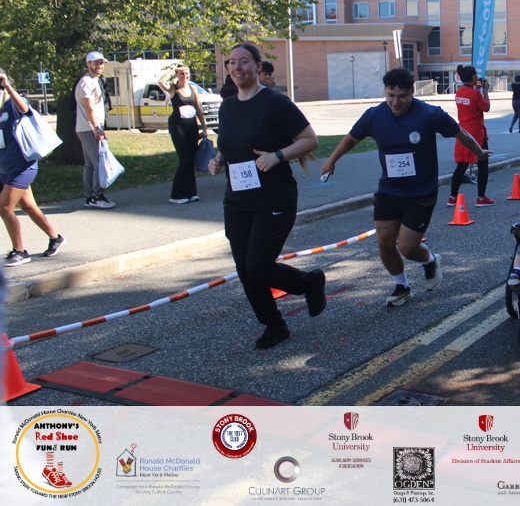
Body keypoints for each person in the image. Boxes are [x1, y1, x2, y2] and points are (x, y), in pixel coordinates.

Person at [321, 68, 489, 307]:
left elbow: (459, 133)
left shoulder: (430, 114)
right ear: (385, 92)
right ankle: (402, 286)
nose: (395, 102)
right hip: (389, 190)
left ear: (412, 92)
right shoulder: (373, 116)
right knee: (384, 243)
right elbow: (351, 138)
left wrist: (478, 153)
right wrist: (331, 160)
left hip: (421, 193)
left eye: (402, 96)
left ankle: (430, 261)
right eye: (390, 95)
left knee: (408, 248)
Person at [207, 43, 325, 350]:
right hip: (237, 199)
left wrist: (278, 155)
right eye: (232, 62)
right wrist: (218, 159)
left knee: (258, 266)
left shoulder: (274, 102)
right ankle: (274, 325)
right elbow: (230, 144)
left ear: (258, 67)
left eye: (244, 62)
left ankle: (309, 282)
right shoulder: (228, 106)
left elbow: (310, 139)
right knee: (245, 270)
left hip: (274, 196)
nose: (237, 68)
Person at [0, 70, 64, 266]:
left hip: (22, 166)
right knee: (28, 206)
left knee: (4, 207)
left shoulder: (13, 103)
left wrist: (8, 87)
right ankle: (55, 238)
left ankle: (20, 251)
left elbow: (24, 109)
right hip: (5, 167)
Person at [158, 63, 209, 204]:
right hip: (178, 126)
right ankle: (176, 194)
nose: (184, 76)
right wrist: (172, 69)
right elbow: (161, 82)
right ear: (177, 75)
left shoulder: (193, 88)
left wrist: (204, 128)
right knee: (184, 160)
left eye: (186, 73)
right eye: (181, 73)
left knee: (191, 160)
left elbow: (198, 108)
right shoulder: (173, 89)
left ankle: (191, 192)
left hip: (191, 126)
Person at [75, 51, 115, 209]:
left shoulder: (95, 80)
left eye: (101, 63)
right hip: (90, 128)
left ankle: (91, 196)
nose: (99, 66)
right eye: (96, 63)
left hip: (89, 127)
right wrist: (97, 128)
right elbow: (89, 107)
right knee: (99, 162)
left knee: (90, 164)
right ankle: (97, 196)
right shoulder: (86, 82)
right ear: (88, 64)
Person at [449, 65, 493, 207]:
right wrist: (485, 91)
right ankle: (481, 198)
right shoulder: (476, 94)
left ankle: (452, 197)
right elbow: (486, 107)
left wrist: (477, 90)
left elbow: (470, 101)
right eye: (476, 76)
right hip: (477, 133)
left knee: (462, 165)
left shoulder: (459, 92)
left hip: (462, 133)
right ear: (474, 77)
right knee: (482, 164)